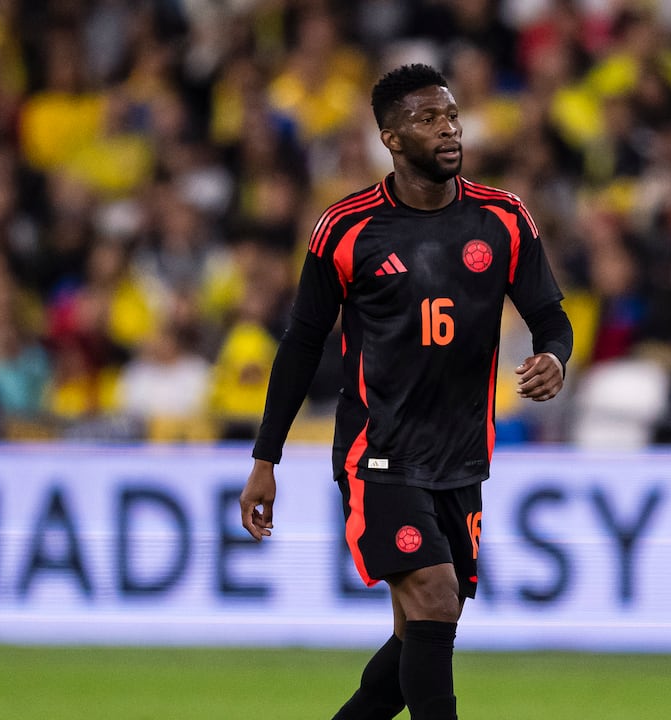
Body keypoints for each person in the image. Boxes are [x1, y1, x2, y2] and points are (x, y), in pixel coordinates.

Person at [238, 64, 573, 720]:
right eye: (427, 119)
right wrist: (264, 458)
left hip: (461, 458)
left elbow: (551, 318)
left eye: (451, 114)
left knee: (416, 635)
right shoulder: (345, 228)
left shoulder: (503, 219)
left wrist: (554, 358)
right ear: (390, 139)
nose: (448, 129)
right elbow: (302, 343)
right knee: (437, 599)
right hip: (378, 455)